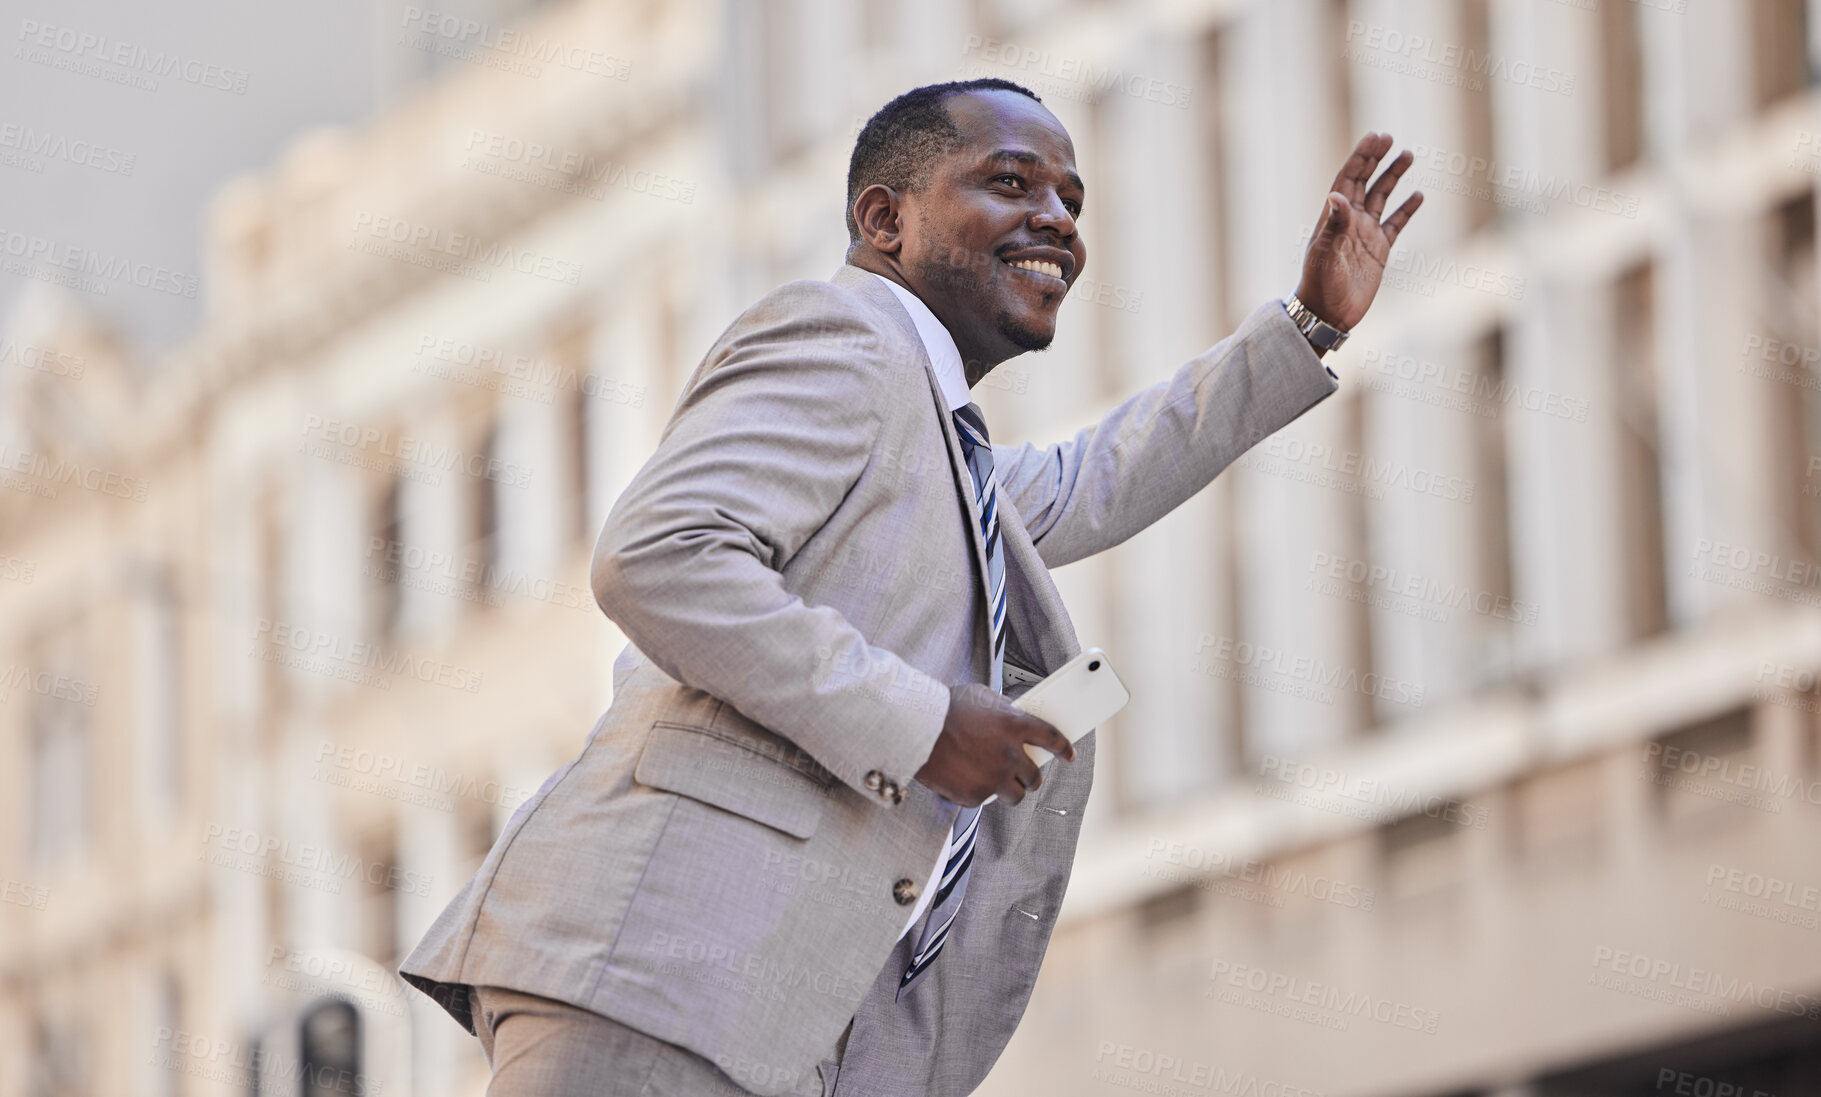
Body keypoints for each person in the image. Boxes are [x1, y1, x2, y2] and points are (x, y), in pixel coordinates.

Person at [399, 76, 1422, 1097]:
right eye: (1011, 182)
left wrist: (1306, 327)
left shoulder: (941, 446)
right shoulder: (839, 339)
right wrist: (922, 722)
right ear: (883, 219)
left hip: (761, 1021)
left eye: (1072, 200)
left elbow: (1097, 475)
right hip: (661, 981)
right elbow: (660, 555)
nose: (1056, 221)